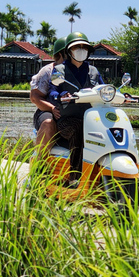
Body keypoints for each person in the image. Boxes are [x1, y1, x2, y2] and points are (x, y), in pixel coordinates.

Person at [49, 32, 103, 178]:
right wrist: (61, 95)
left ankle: (102, 173)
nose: (81, 50)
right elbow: (52, 91)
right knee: (77, 128)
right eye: (76, 47)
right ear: (69, 51)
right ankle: (75, 176)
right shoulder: (59, 70)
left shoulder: (93, 71)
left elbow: (103, 89)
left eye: (84, 47)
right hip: (67, 120)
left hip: (91, 119)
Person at [29, 37, 66, 157]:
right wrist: (52, 108)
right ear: (60, 54)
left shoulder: (82, 71)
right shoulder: (48, 71)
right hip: (48, 111)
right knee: (48, 123)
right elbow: (35, 97)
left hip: (70, 112)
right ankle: (40, 164)